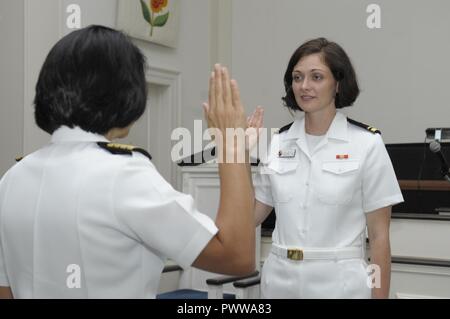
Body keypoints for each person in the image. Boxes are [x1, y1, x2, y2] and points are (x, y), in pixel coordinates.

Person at [0, 25, 256, 298]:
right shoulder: (122, 174)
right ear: (125, 94)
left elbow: (6, 288)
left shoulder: (13, 178)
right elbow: (236, 256)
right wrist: (231, 144)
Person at [253, 38, 404, 298]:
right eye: (297, 77)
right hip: (279, 282)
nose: (304, 86)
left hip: (340, 285)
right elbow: (249, 218)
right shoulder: (278, 142)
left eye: (316, 77)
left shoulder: (366, 143)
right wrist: (239, 156)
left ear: (337, 83)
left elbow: (379, 237)